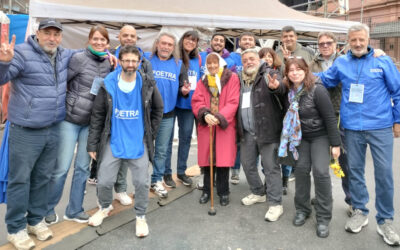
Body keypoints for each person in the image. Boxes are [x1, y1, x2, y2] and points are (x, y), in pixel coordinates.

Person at [317, 24, 400, 246]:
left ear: (368, 39)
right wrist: (295, 72)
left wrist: (398, 120)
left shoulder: (383, 62)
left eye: (361, 39)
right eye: (353, 40)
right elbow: (325, 79)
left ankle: (385, 221)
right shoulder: (342, 62)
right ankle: (360, 211)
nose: (357, 44)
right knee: (354, 171)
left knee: (383, 173)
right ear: (348, 41)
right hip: (352, 127)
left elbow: (397, 91)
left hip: (380, 126)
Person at [0, 19, 75, 249]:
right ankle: (15, 228)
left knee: (43, 178)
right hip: (25, 130)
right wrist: (4, 62)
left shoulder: (63, 55)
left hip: (52, 128)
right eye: (47, 33)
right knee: (20, 180)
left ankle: (34, 220)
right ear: (37, 33)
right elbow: (3, 78)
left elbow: (88, 55)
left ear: (61, 37)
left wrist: (107, 56)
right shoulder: (21, 53)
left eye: (56, 34)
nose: (52, 38)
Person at [87, 46, 163, 238]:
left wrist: (150, 133)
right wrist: (92, 144)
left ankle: (140, 216)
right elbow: (97, 115)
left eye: (133, 61)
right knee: (103, 181)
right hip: (114, 140)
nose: (130, 64)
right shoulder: (108, 83)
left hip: (138, 141)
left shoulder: (147, 83)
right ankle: (104, 207)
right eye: (126, 60)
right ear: (120, 61)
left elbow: (158, 109)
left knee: (142, 182)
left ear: (139, 63)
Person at [45, 25, 113, 225]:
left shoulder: (109, 62)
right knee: (61, 168)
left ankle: (74, 210)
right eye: (96, 38)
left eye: (103, 40)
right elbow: (61, 82)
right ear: (89, 39)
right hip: (70, 120)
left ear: (108, 43)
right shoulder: (78, 58)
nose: (99, 42)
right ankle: (48, 208)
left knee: (83, 168)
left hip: (91, 124)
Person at [280, 57, 341, 238]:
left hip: (320, 136)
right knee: (301, 171)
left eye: (298, 69)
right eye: (291, 70)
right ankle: (302, 209)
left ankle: (323, 217)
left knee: (321, 172)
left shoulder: (317, 89)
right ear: (287, 74)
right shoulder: (289, 92)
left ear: (306, 70)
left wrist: (335, 144)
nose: (295, 72)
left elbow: (330, 117)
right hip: (301, 139)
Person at [237, 49, 285, 222]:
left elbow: (282, 88)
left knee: (271, 167)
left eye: (252, 59)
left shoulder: (269, 73)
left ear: (258, 60)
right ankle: (258, 192)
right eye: (245, 60)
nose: (248, 62)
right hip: (247, 131)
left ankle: (275, 203)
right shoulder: (239, 78)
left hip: (267, 130)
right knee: (247, 164)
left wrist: (277, 87)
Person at [144, 32, 189, 197]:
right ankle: (141, 181)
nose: (166, 47)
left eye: (170, 45)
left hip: (167, 114)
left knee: (162, 150)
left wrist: (184, 91)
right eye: (163, 43)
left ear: (174, 48)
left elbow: (182, 88)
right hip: (146, 113)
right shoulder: (147, 61)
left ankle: (156, 180)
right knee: (142, 148)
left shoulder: (178, 64)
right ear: (157, 44)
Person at [191, 52, 239, 206]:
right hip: (207, 124)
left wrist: (219, 117)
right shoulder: (203, 80)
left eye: (215, 62)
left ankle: (223, 191)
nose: (212, 66)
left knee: (223, 160)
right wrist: (205, 114)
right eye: (209, 63)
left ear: (220, 63)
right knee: (208, 160)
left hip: (224, 124)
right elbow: (197, 100)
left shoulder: (231, 78)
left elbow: (233, 101)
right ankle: (207, 190)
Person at [163, 31, 201, 187]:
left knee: (185, 139)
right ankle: (166, 172)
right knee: (167, 140)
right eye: (188, 39)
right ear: (182, 40)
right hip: (172, 103)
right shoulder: (174, 57)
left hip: (189, 106)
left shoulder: (198, 59)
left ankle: (181, 171)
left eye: (194, 40)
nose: (190, 42)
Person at [258, 47, 292, 195]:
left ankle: (284, 180)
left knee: (283, 152)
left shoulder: (280, 73)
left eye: (270, 56)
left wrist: (276, 86)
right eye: (263, 56)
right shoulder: (257, 75)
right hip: (265, 120)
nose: (267, 59)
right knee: (266, 155)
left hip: (282, 118)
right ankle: (269, 179)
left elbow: (282, 87)